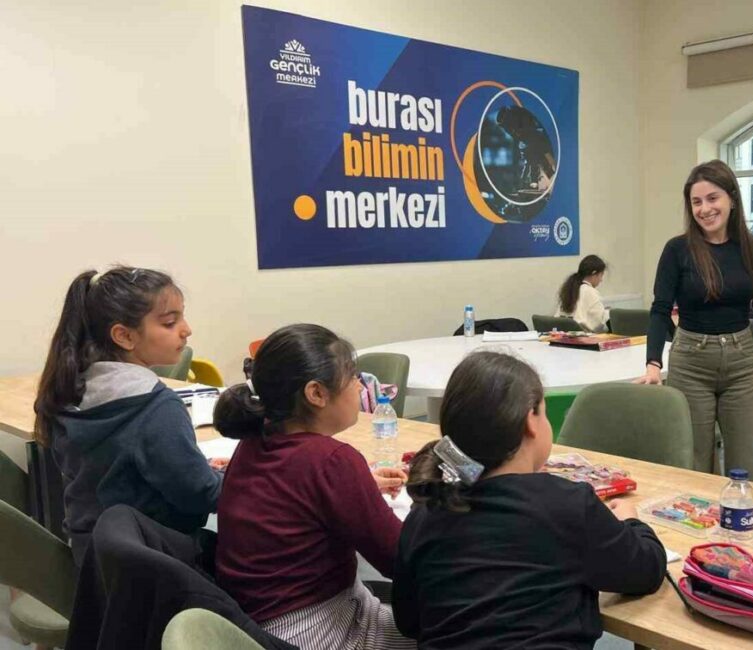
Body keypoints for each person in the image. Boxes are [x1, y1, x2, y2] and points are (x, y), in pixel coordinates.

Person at [393, 351, 665, 649]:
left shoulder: (427, 509)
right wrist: (631, 521)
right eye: (544, 413)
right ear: (530, 422)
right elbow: (647, 570)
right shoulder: (566, 505)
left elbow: (409, 621)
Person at [214, 324, 414, 649]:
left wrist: (361, 486)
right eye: (352, 378)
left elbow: (294, 495)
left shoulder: (255, 440)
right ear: (316, 394)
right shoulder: (332, 460)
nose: (358, 387)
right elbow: (401, 560)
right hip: (315, 632)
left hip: (257, 626)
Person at [32, 266, 222, 567]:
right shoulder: (155, 406)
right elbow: (199, 494)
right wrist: (233, 478)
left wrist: (196, 468)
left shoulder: (68, 393)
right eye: (170, 322)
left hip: (90, 555)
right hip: (153, 564)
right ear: (124, 336)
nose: (186, 329)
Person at [637, 160, 753, 478]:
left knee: (747, 467)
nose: (705, 209)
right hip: (691, 362)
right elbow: (660, 309)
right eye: (696, 202)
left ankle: (742, 527)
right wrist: (653, 364)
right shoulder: (677, 250)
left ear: (732, 198)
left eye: (712, 198)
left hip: (743, 363)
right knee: (694, 465)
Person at [555, 254, 610, 332]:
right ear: (594, 274)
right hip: (582, 338)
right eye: (601, 275)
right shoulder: (590, 291)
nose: (601, 280)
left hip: (562, 335)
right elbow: (600, 323)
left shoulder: (570, 289)